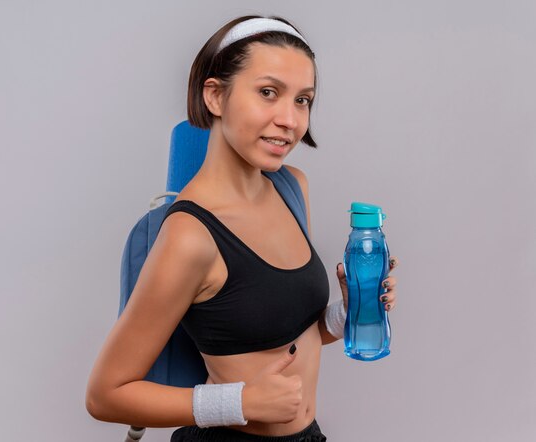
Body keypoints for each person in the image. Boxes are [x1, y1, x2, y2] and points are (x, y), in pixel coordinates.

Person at [86, 15, 399, 441]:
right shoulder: (190, 235)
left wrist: (347, 315)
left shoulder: (291, 187)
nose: (290, 119)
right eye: (268, 93)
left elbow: (276, 333)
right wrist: (239, 403)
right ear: (215, 96)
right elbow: (105, 395)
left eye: (303, 100)